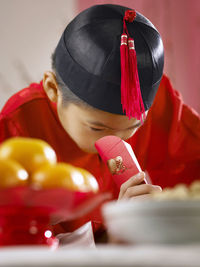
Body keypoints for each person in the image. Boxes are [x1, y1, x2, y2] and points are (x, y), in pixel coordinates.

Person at [0, 4, 199, 242]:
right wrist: (116, 231)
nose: (116, 140)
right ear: (53, 89)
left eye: (133, 127)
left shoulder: (154, 104)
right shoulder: (18, 128)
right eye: (97, 127)